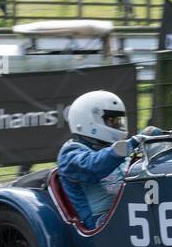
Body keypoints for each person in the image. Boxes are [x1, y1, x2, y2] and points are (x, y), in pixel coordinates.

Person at [56, 91, 136, 229]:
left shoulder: (111, 147)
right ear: (89, 121)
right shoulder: (70, 154)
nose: (117, 125)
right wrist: (133, 142)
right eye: (112, 121)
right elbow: (93, 166)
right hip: (101, 221)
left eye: (119, 121)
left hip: (128, 209)